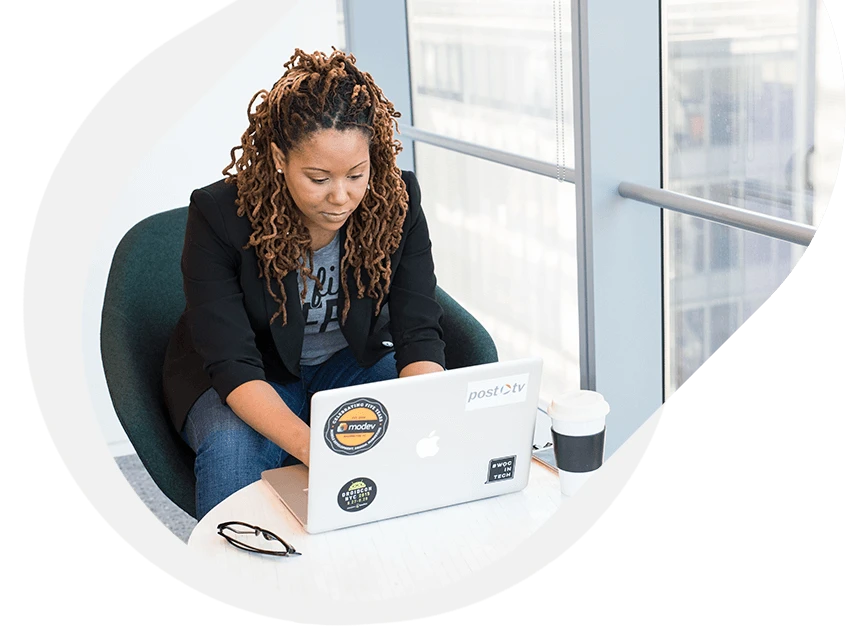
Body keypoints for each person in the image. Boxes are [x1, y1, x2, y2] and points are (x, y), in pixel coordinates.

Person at [162, 48, 446, 520]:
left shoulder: (397, 199)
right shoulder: (218, 215)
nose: (341, 196)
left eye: (356, 174)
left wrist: (424, 415)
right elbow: (232, 362)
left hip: (345, 364)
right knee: (233, 457)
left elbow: (419, 330)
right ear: (279, 157)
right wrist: (319, 448)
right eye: (318, 178)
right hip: (250, 374)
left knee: (422, 449)